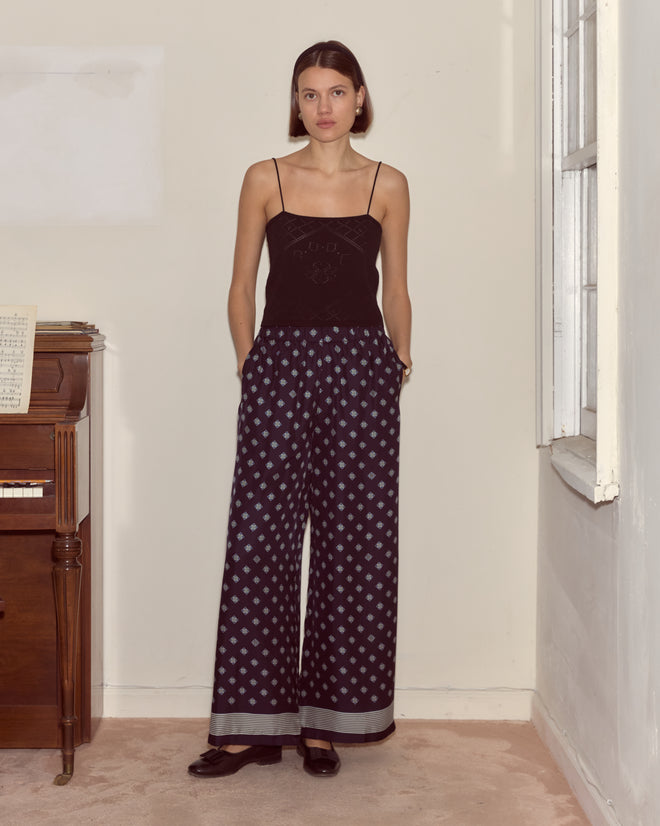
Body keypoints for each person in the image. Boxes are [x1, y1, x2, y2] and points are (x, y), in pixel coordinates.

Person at [188, 39, 412, 780]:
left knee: (353, 548)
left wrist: (398, 362)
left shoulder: (388, 183)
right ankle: (253, 726)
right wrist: (253, 363)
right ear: (296, 101)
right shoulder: (264, 178)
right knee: (260, 541)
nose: (323, 107)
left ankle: (326, 722)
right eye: (309, 93)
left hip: (360, 372)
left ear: (359, 97)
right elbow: (240, 283)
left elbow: (396, 290)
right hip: (279, 366)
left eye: (336, 92)